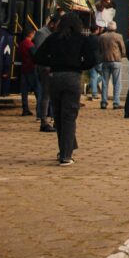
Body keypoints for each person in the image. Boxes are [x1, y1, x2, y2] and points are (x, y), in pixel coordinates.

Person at [34, 12, 95, 166]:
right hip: (73, 78)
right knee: (69, 116)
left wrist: (53, 62)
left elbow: (38, 57)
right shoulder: (81, 39)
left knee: (59, 116)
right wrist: (78, 66)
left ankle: (65, 148)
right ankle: (66, 155)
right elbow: (92, 60)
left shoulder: (53, 38)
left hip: (55, 77)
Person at [31, 15, 56, 132]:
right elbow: (40, 51)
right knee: (45, 94)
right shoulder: (41, 33)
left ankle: (51, 118)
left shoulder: (54, 33)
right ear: (52, 24)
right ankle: (43, 120)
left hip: (53, 67)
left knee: (52, 95)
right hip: (45, 67)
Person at [98, 21, 125, 110]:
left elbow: (100, 48)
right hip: (116, 60)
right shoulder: (118, 36)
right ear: (115, 28)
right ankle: (116, 103)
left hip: (105, 60)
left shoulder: (102, 36)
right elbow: (123, 49)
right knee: (117, 82)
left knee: (105, 82)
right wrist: (122, 55)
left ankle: (104, 102)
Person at [17, 27, 37, 116]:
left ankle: (25, 109)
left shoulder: (21, 44)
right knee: (37, 90)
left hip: (23, 68)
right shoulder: (30, 45)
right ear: (31, 34)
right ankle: (40, 109)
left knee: (24, 91)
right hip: (31, 68)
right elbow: (35, 56)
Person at [86, 25, 103, 101]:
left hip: (90, 60)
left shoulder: (87, 39)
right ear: (96, 30)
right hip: (98, 60)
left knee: (93, 77)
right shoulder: (99, 39)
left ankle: (94, 94)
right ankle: (90, 85)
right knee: (105, 75)